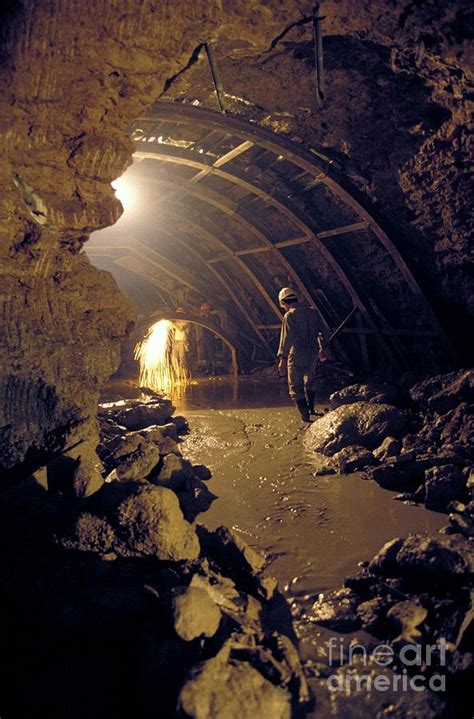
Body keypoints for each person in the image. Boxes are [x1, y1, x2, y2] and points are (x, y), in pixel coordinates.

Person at [277, 287, 331, 422]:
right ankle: (311, 408)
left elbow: (286, 339)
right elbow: (325, 332)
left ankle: (305, 417)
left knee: (295, 387)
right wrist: (323, 348)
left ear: (284, 302)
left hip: (297, 354)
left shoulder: (290, 316)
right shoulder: (313, 312)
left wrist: (282, 359)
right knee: (310, 381)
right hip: (312, 353)